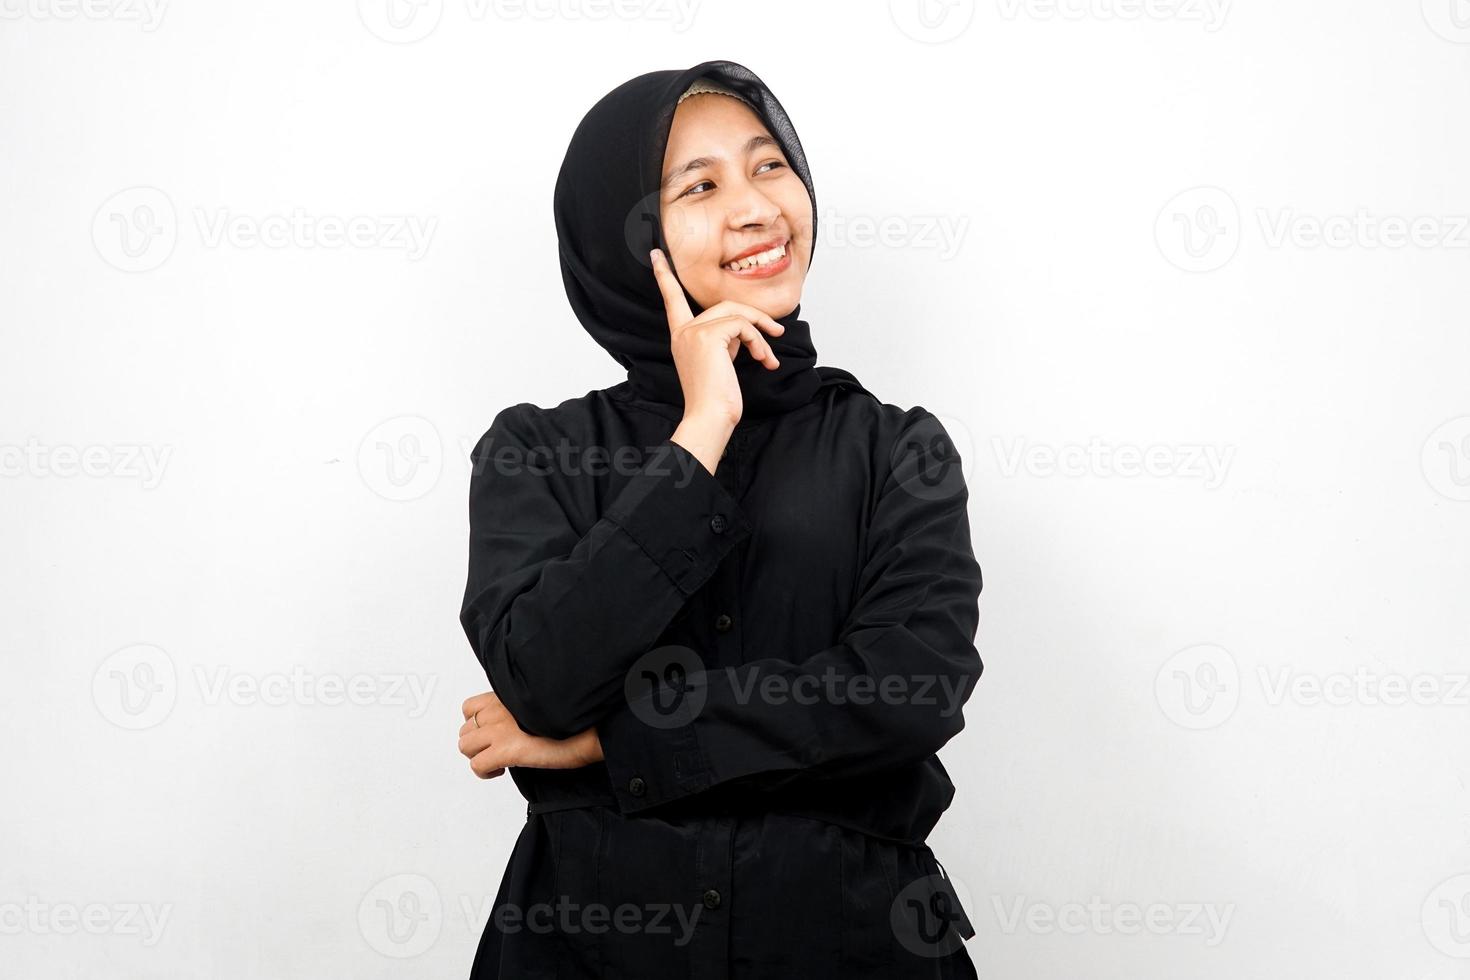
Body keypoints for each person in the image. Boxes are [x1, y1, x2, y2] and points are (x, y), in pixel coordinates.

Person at [455, 59, 984, 979]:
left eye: (770, 166)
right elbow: (540, 677)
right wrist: (700, 434)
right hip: (589, 953)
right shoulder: (534, 451)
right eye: (700, 186)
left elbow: (908, 691)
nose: (756, 208)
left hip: (857, 948)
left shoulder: (901, 449)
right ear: (621, 234)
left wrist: (608, 743)